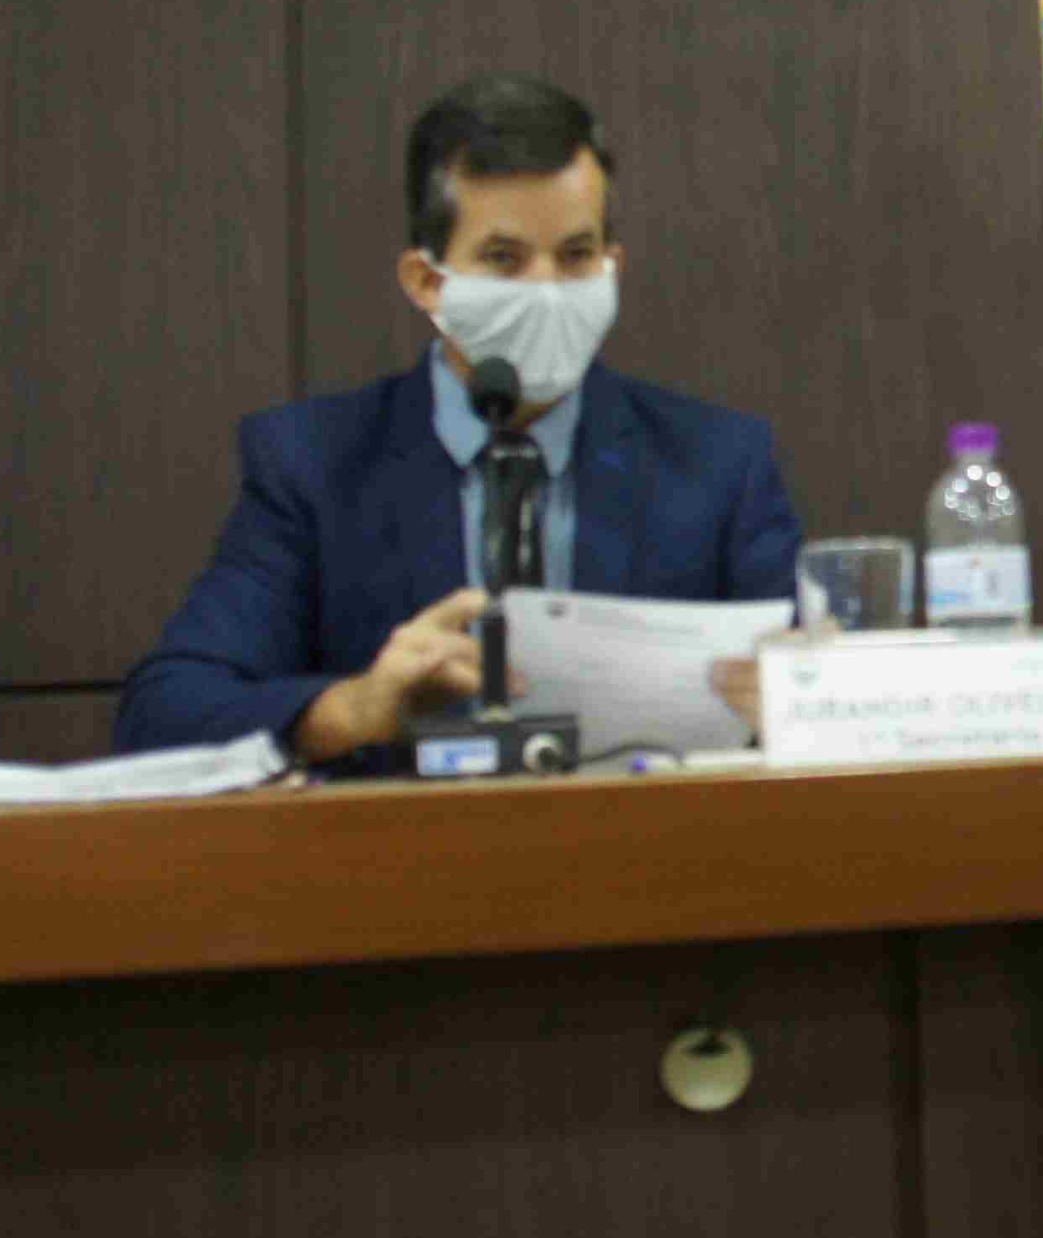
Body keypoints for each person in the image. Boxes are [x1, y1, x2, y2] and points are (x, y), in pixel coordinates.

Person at [115, 76, 801, 764]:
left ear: (611, 267)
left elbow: (822, 699)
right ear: (427, 282)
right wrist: (353, 709)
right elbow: (165, 713)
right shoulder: (315, 466)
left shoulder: (717, 465)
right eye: (503, 259)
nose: (547, 290)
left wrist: (790, 702)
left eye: (575, 256)